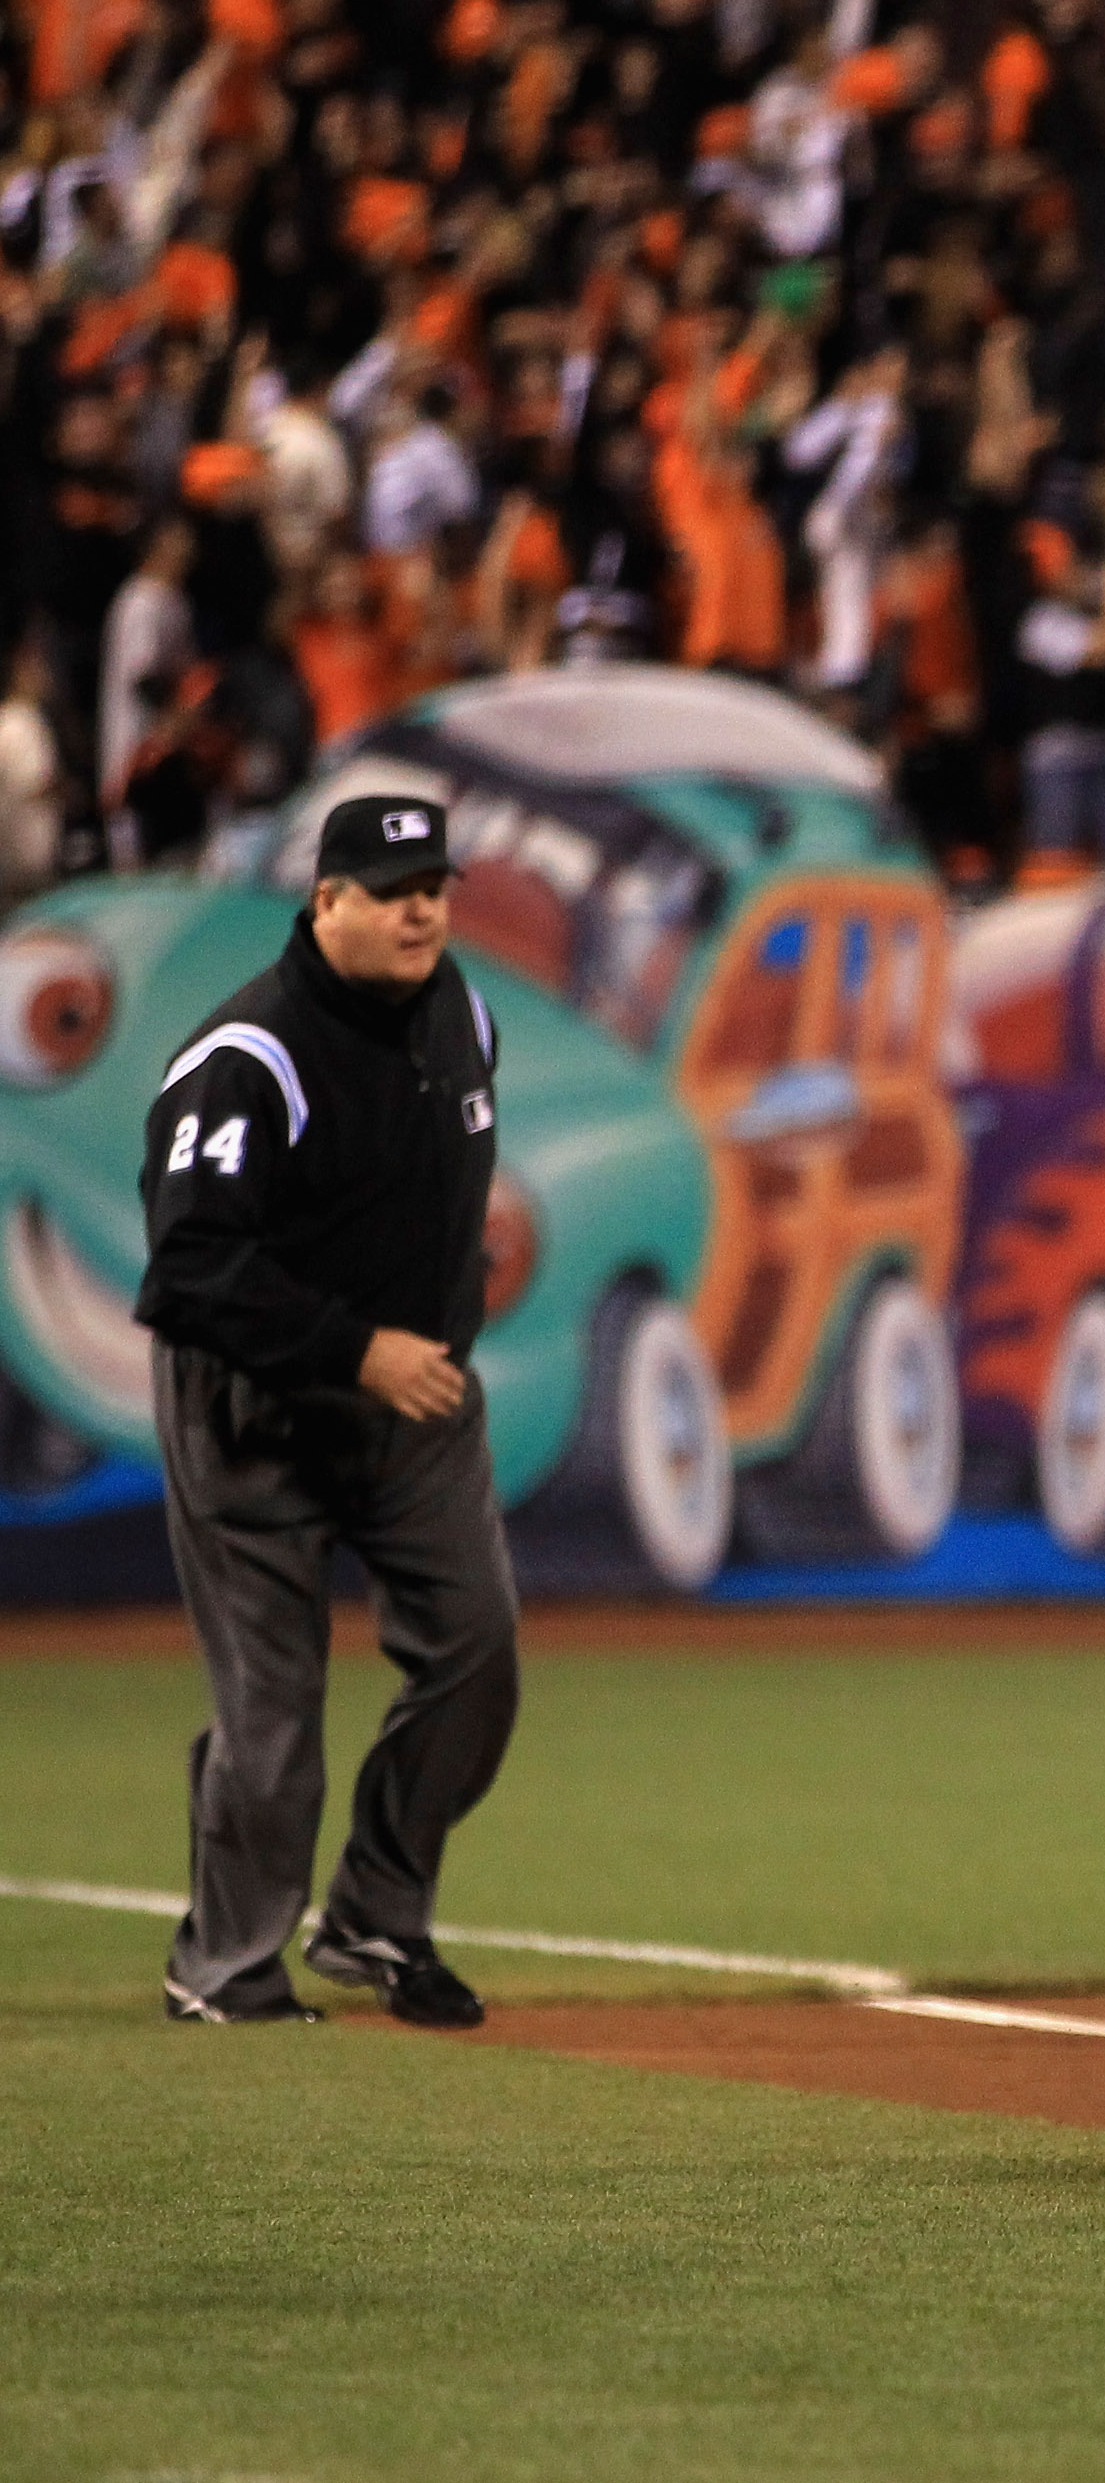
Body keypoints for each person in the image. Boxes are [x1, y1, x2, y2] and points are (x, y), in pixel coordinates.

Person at [139, 795, 514, 2030]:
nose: (422, 908)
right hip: (255, 1411)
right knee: (273, 1710)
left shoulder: (463, 1011)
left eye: (436, 885)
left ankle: (376, 1915)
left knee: (476, 1656)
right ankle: (227, 1965)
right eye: (393, 886)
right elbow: (192, 1271)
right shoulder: (252, 1059)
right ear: (326, 901)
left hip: (416, 1407)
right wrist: (357, 1346)